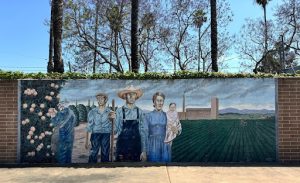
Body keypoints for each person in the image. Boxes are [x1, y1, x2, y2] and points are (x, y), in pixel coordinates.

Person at [113, 85, 147, 162]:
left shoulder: (140, 112)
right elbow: (114, 130)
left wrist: (144, 150)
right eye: (129, 94)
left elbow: (143, 132)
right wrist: (111, 120)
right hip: (122, 147)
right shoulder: (119, 111)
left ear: (136, 96)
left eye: (134, 94)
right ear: (125, 96)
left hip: (136, 147)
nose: (132, 96)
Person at [85, 93, 114, 163]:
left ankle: (105, 169)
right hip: (95, 134)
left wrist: (112, 119)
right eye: (98, 99)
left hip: (106, 135)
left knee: (105, 153)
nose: (99, 100)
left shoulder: (110, 112)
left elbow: (112, 128)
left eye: (101, 98)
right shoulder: (92, 112)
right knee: (93, 153)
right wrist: (87, 141)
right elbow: (89, 127)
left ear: (105, 100)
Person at [144, 92, 170, 162]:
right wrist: (144, 150)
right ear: (154, 102)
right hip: (152, 145)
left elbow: (174, 129)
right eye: (158, 100)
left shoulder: (167, 116)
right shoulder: (148, 116)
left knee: (165, 164)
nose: (160, 103)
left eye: (161, 101)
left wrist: (176, 130)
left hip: (164, 145)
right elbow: (145, 134)